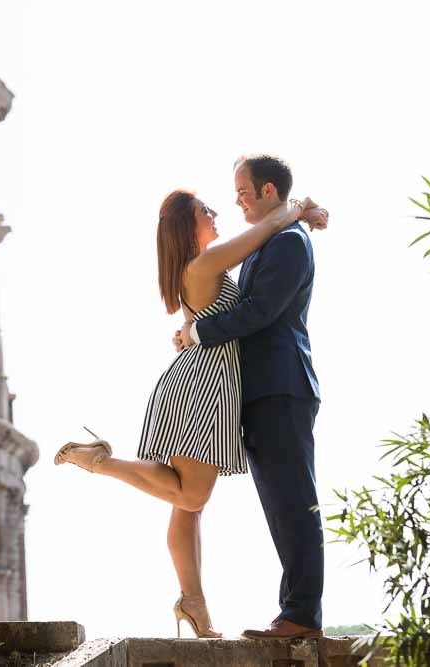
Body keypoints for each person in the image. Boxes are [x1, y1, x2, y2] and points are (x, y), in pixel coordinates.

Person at [55, 171, 328, 638]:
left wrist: (303, 213)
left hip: (208, 384)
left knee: (187, 506)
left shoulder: (199, 266)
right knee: (192, 494)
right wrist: (300, 208)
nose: (218, 212)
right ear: (189, 225)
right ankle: (100, 461)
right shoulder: (205, 265)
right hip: (203, 388)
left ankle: (193, 604)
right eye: (207, 211)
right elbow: (261, 232)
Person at [177, 155, 325, 640]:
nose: (236, 199)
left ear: (267, 191)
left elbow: (262, 310)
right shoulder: (271, 240)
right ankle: (294, 611)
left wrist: (199, 333)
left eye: (242, 191)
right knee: (280, 505)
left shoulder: (288, 242)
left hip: (282, 387)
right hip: (260, 392)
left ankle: (301, 615)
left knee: (295, 501)